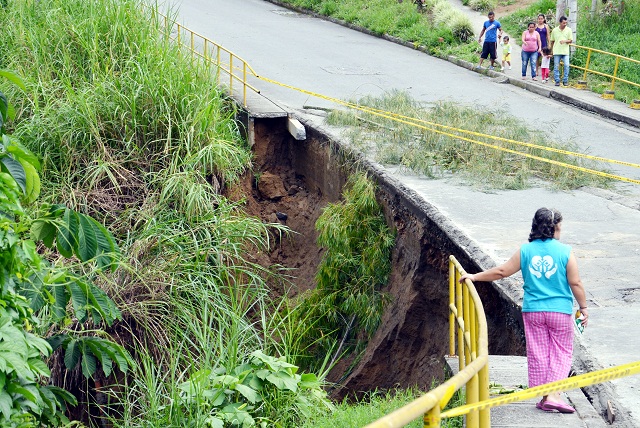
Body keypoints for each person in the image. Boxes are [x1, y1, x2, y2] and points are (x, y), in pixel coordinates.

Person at [459, 208, 589, 414]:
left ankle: (546, 397)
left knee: (538, 352)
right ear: (555, 228)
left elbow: (502, 271)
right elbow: (576, 282)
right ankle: (554, 395)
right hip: (559, 311)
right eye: (560, 227)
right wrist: (583, 307)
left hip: (533, 311)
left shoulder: (525, 250)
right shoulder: (565, 251)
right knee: (561, 352)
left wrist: (474, 276)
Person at [550, 16, 573, 87]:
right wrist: (551, 51)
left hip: (565, 51)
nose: (565, 24)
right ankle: (557, 80)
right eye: (563, 23)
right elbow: (552, 41)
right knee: (556, 66)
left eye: (566, 23)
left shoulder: (569, 30)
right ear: (560, 23)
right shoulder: (555, 30)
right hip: (557, 50)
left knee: (566, 65)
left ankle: (565, 80)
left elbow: (570, 40)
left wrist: (565, 41)